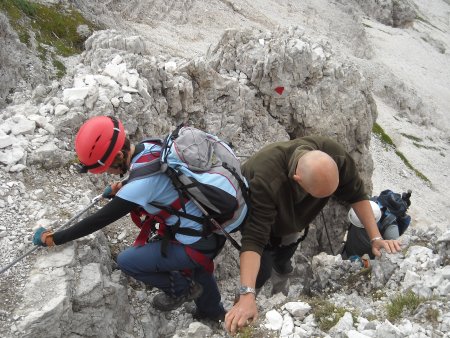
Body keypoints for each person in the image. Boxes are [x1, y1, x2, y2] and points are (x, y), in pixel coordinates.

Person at [32, 115, 227, 322]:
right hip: (208, 230)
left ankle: (183, 289)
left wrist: (54, 238)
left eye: (108, 167)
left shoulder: (139, 187)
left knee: (128, 261)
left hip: (194, 242)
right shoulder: (149, 145)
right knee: (197, 265)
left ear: (118, 155)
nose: (108, 173)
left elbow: (97, 220)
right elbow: (148, 176)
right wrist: (121, 187)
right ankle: (213, 312)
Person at [224, 136, 402, 334]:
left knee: (284, 259)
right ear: (298, 180)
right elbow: (254, 239)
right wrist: (247, 294)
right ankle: (242, 305)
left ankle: (280, 286)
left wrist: (375, 238)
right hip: (259, 217)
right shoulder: (266, 178)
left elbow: (357, 194)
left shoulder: (335, 157)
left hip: (291, 224)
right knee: (262, 270)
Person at [344, 190, 412, 259]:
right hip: (348, 252)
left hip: (363, 260)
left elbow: (394, 249)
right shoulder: (361, 207)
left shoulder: (390, 227)